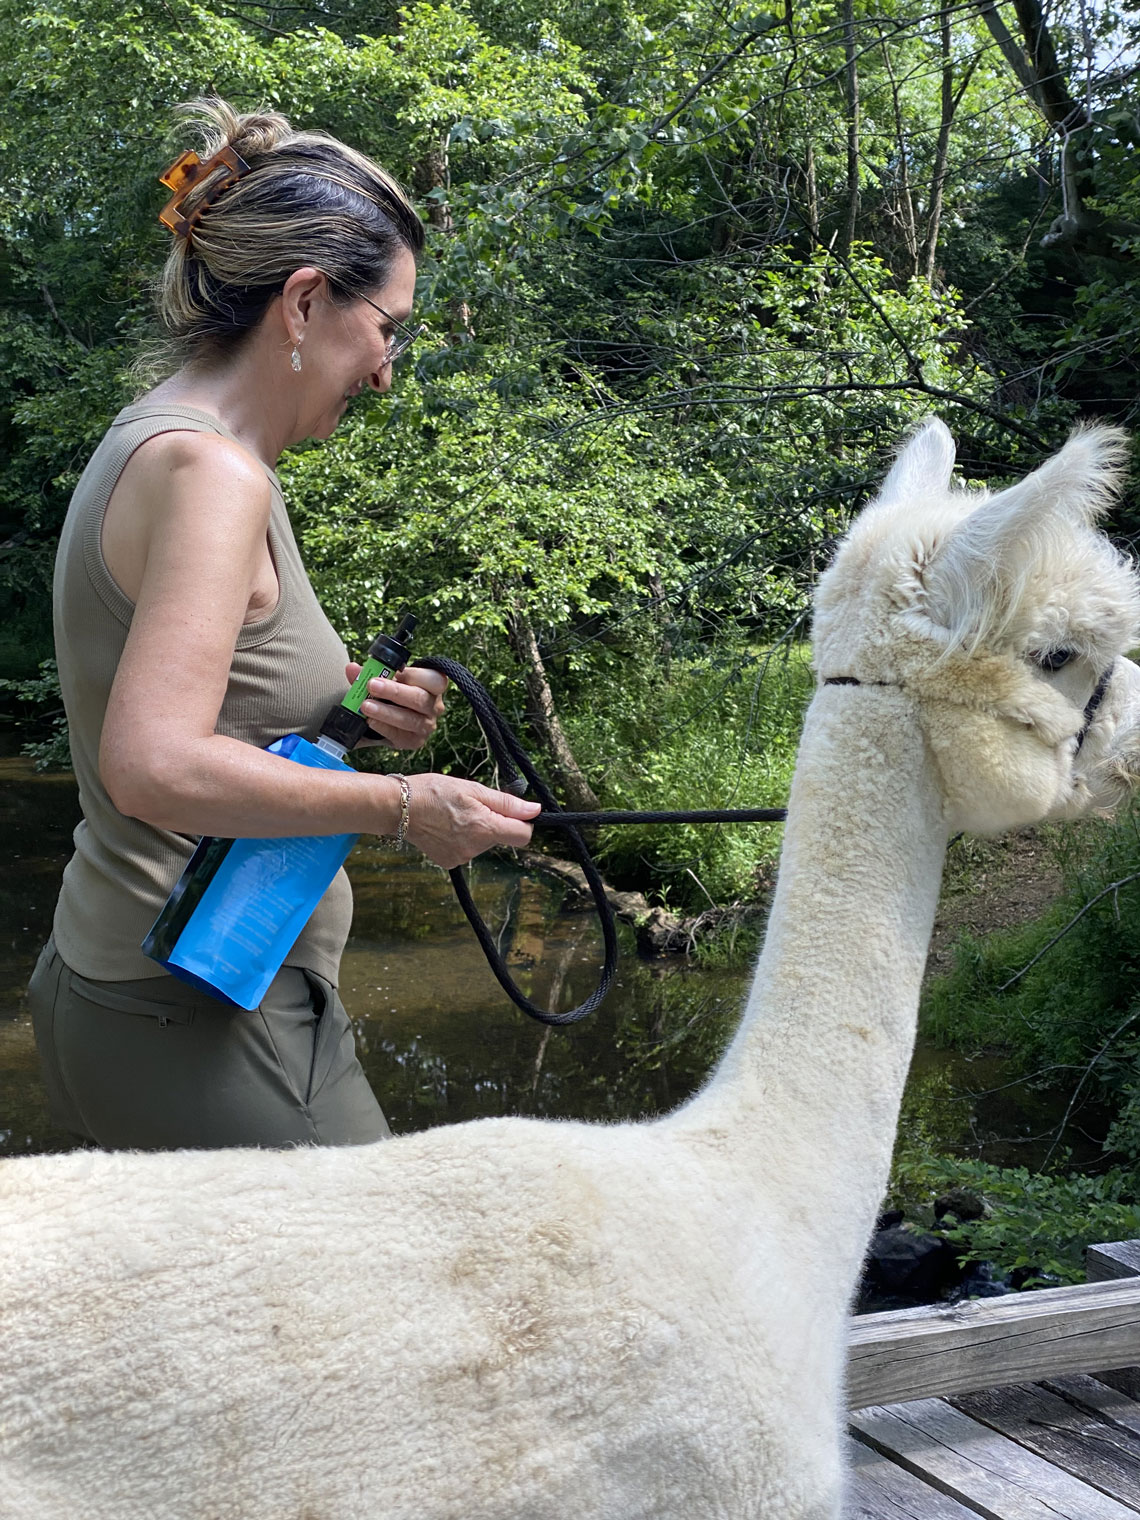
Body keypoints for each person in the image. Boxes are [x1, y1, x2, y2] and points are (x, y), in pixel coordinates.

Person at [27, 98, 540, 1151]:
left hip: (128, 993)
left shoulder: (163, 441)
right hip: (206, 1024)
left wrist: (354, 711)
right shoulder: (214, 474)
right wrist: (402, 806)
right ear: (305, 302)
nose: (389, 369)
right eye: (386, 327)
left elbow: (211, 701)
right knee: (402, 1300)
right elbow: (153, 763)